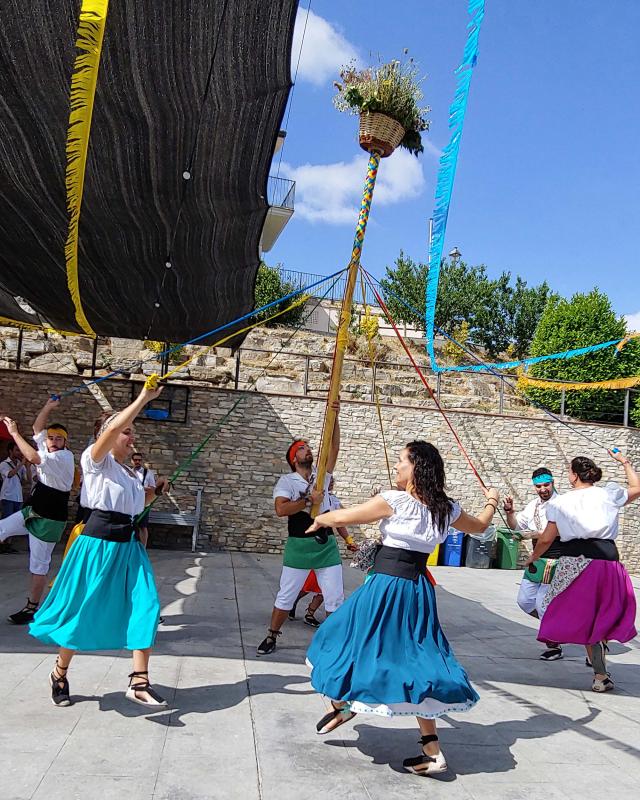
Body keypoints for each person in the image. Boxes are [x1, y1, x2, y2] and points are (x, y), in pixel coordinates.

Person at [305, 441, 499, 776]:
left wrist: (319, 515)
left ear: (416, 467)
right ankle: (430, 750)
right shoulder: (446, 508)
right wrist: (492, 501)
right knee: (414, 661)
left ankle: (344, 704)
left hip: (385, 588)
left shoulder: (395, 500)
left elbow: (346, 516)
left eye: (401, 461)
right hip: (417, 589)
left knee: (336, 639)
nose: (396, 467)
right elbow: (481, 526)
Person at [29, 384, 169, 708]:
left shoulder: (131, 473)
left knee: (146, 607)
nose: (130, 437)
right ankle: (59, 673)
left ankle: (139, 681)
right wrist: (144, 398)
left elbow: (134, 507)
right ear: (106, 434)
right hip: (96, 545)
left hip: (128, 546)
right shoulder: (94, 460)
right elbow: (116, 427)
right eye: (125, 432)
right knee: (79, 612)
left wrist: (155, 492)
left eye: (131, 432)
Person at [526, 451, 640, 693]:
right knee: (604, 613)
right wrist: (625, 462)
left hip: (574, 563)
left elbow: (546, 539)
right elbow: (637, 487)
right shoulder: (607, 494)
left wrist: (533, 557)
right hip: (607, 562)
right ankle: (600, 668)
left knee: (578, 615)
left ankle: (600, 673)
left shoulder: (559, 503)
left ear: (574, 476)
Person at [257, 400, 344, 656]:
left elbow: (334, 448)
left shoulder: (321, 476)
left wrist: (335, 417)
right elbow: (281, 510)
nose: (309, 451)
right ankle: (272, 636)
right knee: (286, 595)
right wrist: (308, 501)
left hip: (325, 545)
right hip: (299, 544)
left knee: (335, 598)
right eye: (303, 449)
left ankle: (335, 643)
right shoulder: (287, 481)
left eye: (308, 447)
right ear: (294, 458)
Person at [1, 399, 75, 623]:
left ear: (65, 443)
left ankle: (32, 607)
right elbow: (37, 429)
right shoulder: (47, 446)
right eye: (51, 437)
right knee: (2, 528)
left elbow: (33, 458)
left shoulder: (63, 457)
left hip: (49, 519)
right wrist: (48, 406)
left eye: (58, 438)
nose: (52, 441)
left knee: (38, 565)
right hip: (32, 511)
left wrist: (14, 433)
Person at [504, 467, 566, 661]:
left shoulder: (562, 504)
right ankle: (560, 627)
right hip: (537, 559)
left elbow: (556, 532)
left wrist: (534, 534)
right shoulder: (534, 505)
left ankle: (554, 643)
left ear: (553, 482)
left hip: (554, 559)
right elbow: (516, 526)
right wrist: (510, 513)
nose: (542, 489)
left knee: (542, 603)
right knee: (525, 601)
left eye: (546, 485)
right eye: (538, 486)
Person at [288, 477, 357, 627]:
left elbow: (339, 523)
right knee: (309, 584)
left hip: (326, 548)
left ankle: (310, 614)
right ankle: (291, 602)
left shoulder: (333, 500)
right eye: (329, 480)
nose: (331, 483)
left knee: (327, 588)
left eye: (332, 481)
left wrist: (349, 540)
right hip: (310, 546)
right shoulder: (309, 498)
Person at [0, 441, 27, 553]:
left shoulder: (20, 464)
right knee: (6, 521)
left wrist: (27, 467)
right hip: (7, 496)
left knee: (14, 523)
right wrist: (21, 464)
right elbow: (10, 474)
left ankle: (9, 545)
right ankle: (2, 545)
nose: (19, 452)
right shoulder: (3, 464)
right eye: (16, 450)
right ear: (10, 451)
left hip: (18, 497)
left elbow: (26, 481)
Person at [131, 451, 156, 547]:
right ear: (132, 461)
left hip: (144, 503)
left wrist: (142, 488)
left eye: (139, 460)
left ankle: (143, 547)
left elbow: (153, 488)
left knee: (143, 526)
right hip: (131, 503)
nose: (137, 462)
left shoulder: (148, 473)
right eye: (135, 460)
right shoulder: (128, 472)